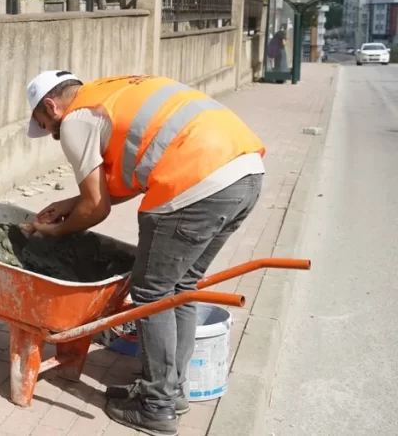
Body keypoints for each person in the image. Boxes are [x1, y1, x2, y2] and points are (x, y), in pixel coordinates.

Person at [23, 71, 265, 436]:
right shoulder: (111, 93)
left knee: (152, 292)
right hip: (244, 172)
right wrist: (70, 203)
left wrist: (55, 231)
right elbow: (114, 188)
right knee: (180, 286)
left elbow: (96, 210)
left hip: (195, 178)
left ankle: (156, 406)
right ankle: (171, 391)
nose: (51, 135)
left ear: (51, 106)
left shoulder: (74, 121)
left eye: (45, 126)